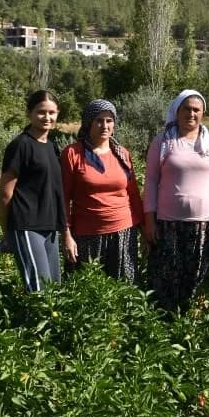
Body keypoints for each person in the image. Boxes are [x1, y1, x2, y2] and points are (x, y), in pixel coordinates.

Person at [143, 89, 209, 312]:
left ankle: (192, 329)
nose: (191, 114)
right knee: (166, 281)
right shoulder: (163, 141)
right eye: (187, 109)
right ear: (177, 110)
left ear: (203, 113)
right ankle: (164, 329)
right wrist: (149, 221)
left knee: (198, 279)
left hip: (204, 225)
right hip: (167, 225)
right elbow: (151, 181)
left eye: (196, 110)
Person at [60, 98, 146, 283]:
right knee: (87, 291)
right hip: (87, 235)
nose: (104, 125)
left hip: (123, 232)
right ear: (89, 122)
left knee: (125, 289)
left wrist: (144, 230)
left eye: (109, 120)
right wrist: (66, 235)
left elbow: (133, 195)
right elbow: (63, 198)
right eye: (99, 120)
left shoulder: (122, 154)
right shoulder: (73, 153)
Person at [0, 90, 67, 292]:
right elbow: (5, 194)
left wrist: (63, 229)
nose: (47, 117)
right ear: (29, 113)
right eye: (41, 112)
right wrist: (7, 233)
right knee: (39, 290)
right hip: (27, 225)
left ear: (57, 114)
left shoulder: (52, 147)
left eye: (52, 113)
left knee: (54, 288)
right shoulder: (20, 146)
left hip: (49, 226)